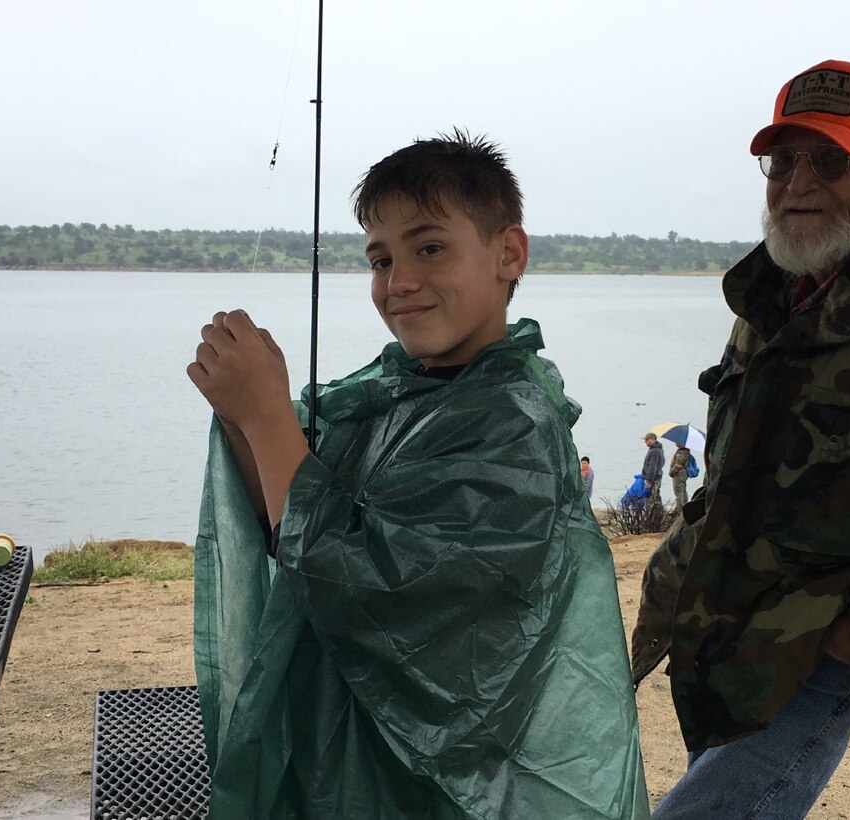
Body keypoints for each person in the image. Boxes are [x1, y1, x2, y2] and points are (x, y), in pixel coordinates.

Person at [188, 130, 649, 818]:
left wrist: (265, 420)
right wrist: (238, 416)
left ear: (507, 253)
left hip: (450, 789)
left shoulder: (511, 425)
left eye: (429, 247)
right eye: (379, 258)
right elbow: (288, 530)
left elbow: (362, 586)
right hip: (343, 763)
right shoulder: (387, 396)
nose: (398, 282)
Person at [632, 59, 850, 819]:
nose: (797, 181)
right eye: (781, 159)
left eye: (832, 159)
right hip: (719, 628)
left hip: (824, 643)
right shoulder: (768, 292)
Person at [641, 432, 665, 501]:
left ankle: (653, 511)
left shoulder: (654, 451)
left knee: (651, 498)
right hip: (657, 476)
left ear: (652, 439)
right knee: (656, 496)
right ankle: (659, 510)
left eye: (646, 440)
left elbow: (652, 467)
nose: (645, 442)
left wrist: (649, 481)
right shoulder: (657, 448)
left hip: (654, 478)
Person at [668, 445, 690, 512]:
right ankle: (685, 507)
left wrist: (671, 473)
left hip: (678, 475)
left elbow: (678, 465)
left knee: (678, 492)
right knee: (683, 491)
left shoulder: (681, 453)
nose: (675, 443)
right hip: (684, 474)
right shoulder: (687, 451)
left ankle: (680, 510)